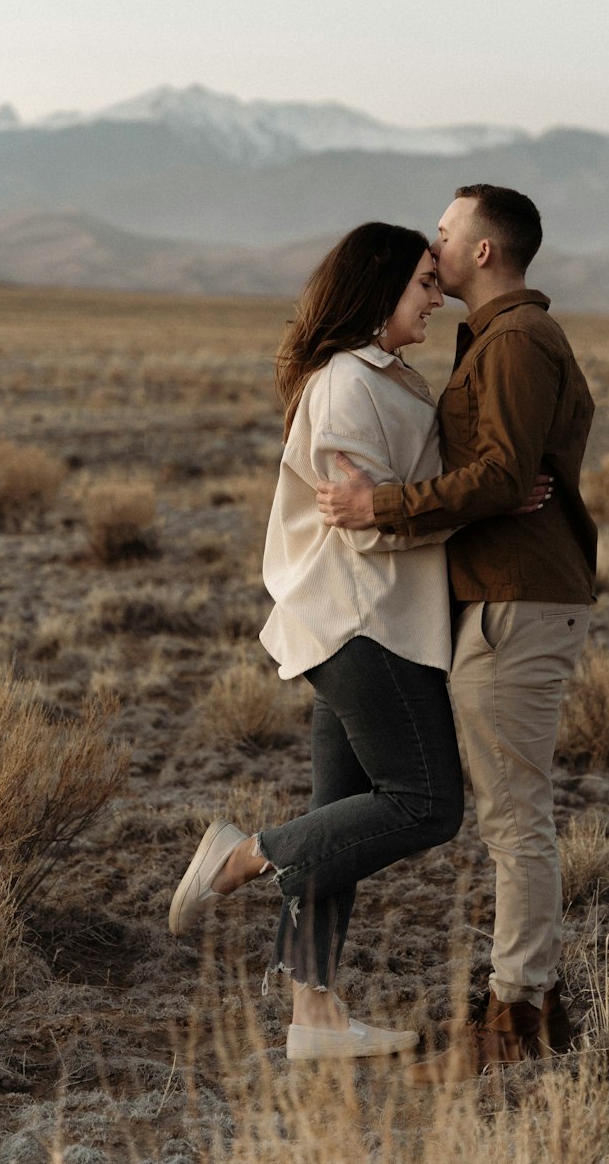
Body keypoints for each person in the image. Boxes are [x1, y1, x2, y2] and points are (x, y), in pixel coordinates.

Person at [316, 184, 597, 1080]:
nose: (434, 243)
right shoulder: (500, 337)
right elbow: (499, 475)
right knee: (511, 814)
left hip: (516, 597)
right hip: (503, 592)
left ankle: (516, 1022)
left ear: (483, 250)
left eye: (446, 228)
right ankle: (526, 1007)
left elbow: (501, 474)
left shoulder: (515, 340)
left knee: (515, 818)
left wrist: (377, 506)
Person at [168, 222, 465, 1062]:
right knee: (426, 804)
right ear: (378, 290)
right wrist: (466, 507)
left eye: (437, 284)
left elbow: (397, 502)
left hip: (371, 617)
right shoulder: (345, 386)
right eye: (423, 284)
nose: (436, 300)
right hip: (362, 620)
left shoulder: (384, 378)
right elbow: (368, 528)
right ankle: (246, 855)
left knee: (340, 817)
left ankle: (315, 1016)